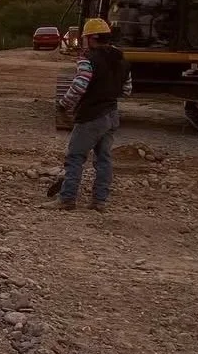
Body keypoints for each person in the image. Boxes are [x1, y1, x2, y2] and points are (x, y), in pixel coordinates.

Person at [46, 18, 133, 212]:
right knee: (104, 159)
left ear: (91, 38)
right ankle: (99, 202)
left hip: (92, 116)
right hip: (112, 114)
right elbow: (127, 90)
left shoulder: (88, 59)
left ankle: (67, 199)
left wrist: (64, 104)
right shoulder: (122, 59)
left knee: (75, 157)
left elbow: (79, 85)